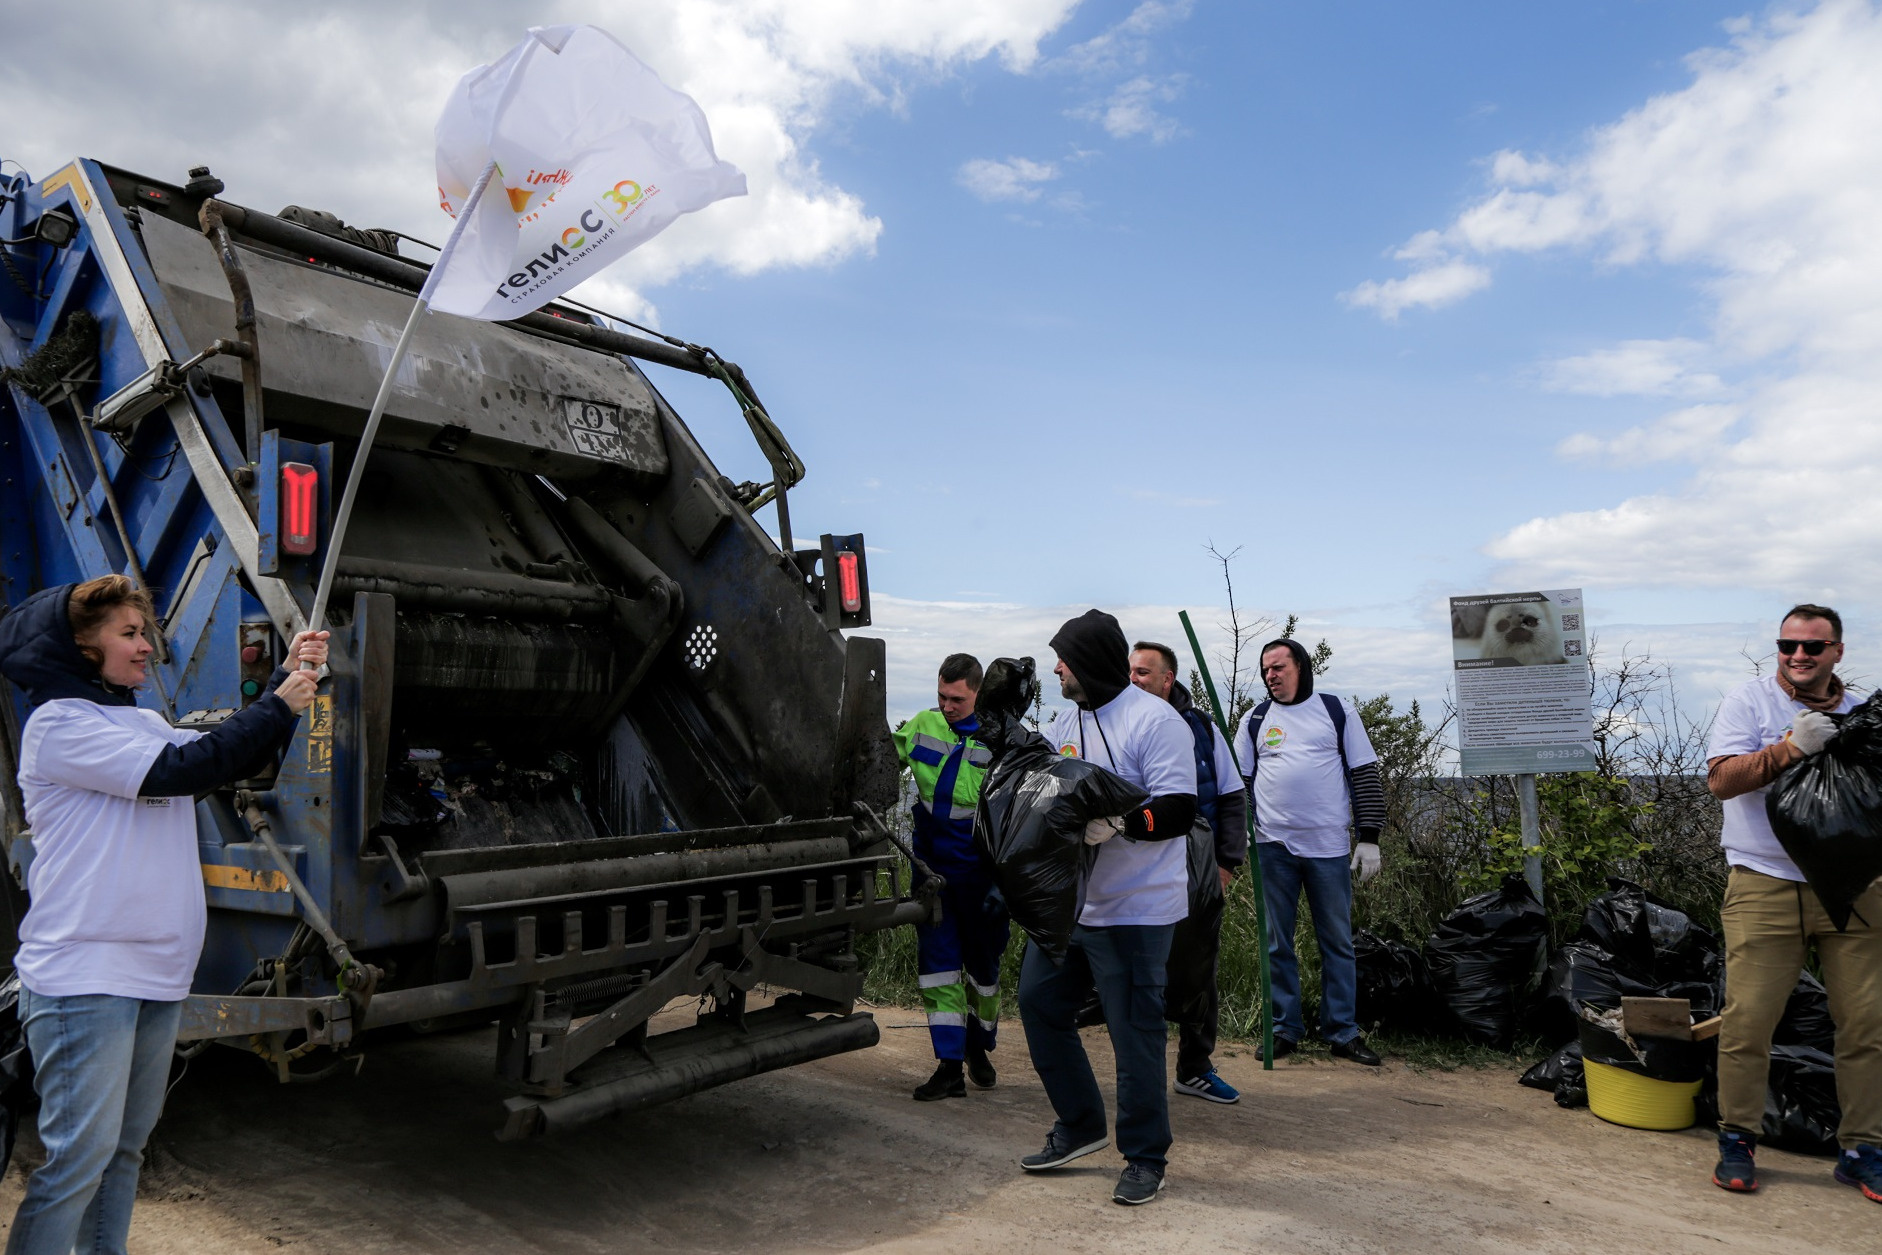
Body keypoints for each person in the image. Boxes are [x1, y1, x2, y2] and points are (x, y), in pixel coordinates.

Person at [0, 576, 328, 1254]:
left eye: (144, 631)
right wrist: (277, 703)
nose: (147, 646)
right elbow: (185, 767)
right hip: (85, 978)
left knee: (123, 1155)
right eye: (128, 633)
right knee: (77, 1164)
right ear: (79, 647)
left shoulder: (141, 722)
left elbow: (231, 759)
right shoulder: (59, 727)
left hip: (153, 975)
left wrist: (290, 683)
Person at [1017, 610, 1196, 1206]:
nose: (1056, 667)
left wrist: (1123, 822)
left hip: (1137, 909)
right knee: (1039, 1003)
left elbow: (1178, 806)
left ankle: (1146, 1156)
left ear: (1090, 660)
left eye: (1063, 657)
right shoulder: (1068, 719)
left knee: (1133, 1032)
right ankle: (1081, 1123)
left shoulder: (1154, 720)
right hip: (1074, 906)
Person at [1704, 603, 1881, 1202]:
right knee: (1749, 1021)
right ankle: (1738, 1139)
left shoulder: (1863, 714)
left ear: (1837, 652)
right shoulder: (1750, 703)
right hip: (1764, 882)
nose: (1798, 656)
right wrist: (1789, 749)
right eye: (1787, 645)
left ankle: (1863, 1149)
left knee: (1866, 1025)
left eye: (1812, 646)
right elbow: (1722, 781)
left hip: (1857, 890)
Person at [1232, 637, 1386, 1066]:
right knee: (1277, 943)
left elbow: (1363, 772)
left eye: (1278, 667)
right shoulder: (1256, 718)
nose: (1271, 676)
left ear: (1300, 666)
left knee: (1336, 941)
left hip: (1328, 848)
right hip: (1272, 847)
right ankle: (1285, 1029)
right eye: (1265, 670)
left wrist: (1369, 836)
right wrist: (1239, 827)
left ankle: (1342, 1031)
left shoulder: (1336, 711)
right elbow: (1239, 780)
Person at [1127, 641, 1247, 1104]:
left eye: (1143, 672)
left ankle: (1194, 1067)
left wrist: (1226, 865)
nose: (1134, 679)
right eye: (1130, 672)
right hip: (1138, 873)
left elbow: (1233, 798)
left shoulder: (1201, 728)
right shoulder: (1119, 724)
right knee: (1141, 968)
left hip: (1196, 870)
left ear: (1167, 679)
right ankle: (1140, 1075)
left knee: (1199, 967)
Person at [890, 654, 1007, 1101]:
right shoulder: (923, 725)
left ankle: (979, 1046)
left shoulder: (1000, 742)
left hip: (982, 881)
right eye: (941, 695)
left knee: (984, 975)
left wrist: (1005, 885)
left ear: (978, 693)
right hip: (932, 875)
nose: (947, 706)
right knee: (938, 971)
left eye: (957, 699)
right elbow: (880, 764)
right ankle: (949, 1067)